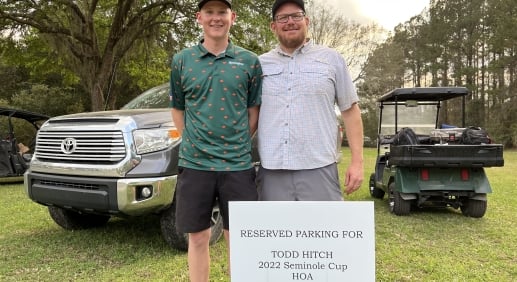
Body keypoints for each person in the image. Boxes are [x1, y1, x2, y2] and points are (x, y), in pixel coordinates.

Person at [169, 0, 262, 281]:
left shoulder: (249, 61)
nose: (216, 18)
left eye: (222, 12)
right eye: (209, 12)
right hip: (195, 164)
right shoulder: (182, 61)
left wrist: (235, 144)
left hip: (237, 165)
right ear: (199, 17)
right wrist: (194, 141)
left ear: (232, 17)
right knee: (198, 238)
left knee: (241, 239)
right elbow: (178, 109)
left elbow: (253, 113)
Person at [257, 0, 364, 201]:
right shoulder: (260, 64)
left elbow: (350, 111)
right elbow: (250, 114)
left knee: (324, 230)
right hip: (272, 169)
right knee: (277, 231)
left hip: (319, 167)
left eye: (296, 16)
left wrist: (357, 162)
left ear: (307, 20)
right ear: (273, 26)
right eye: (282, 18)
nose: (290, 22)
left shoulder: (332, 59)